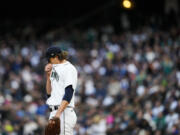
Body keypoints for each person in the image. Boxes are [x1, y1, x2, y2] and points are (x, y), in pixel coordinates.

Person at [44, 46, 78, 135]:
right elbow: (49, 94)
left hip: (63, 112)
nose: (49, 62)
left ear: (56, 57)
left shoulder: (69, 68)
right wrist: (48, 77)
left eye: (50, 59)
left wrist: (58, 115)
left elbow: (68, 94)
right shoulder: (55, 68)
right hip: (54, 112)